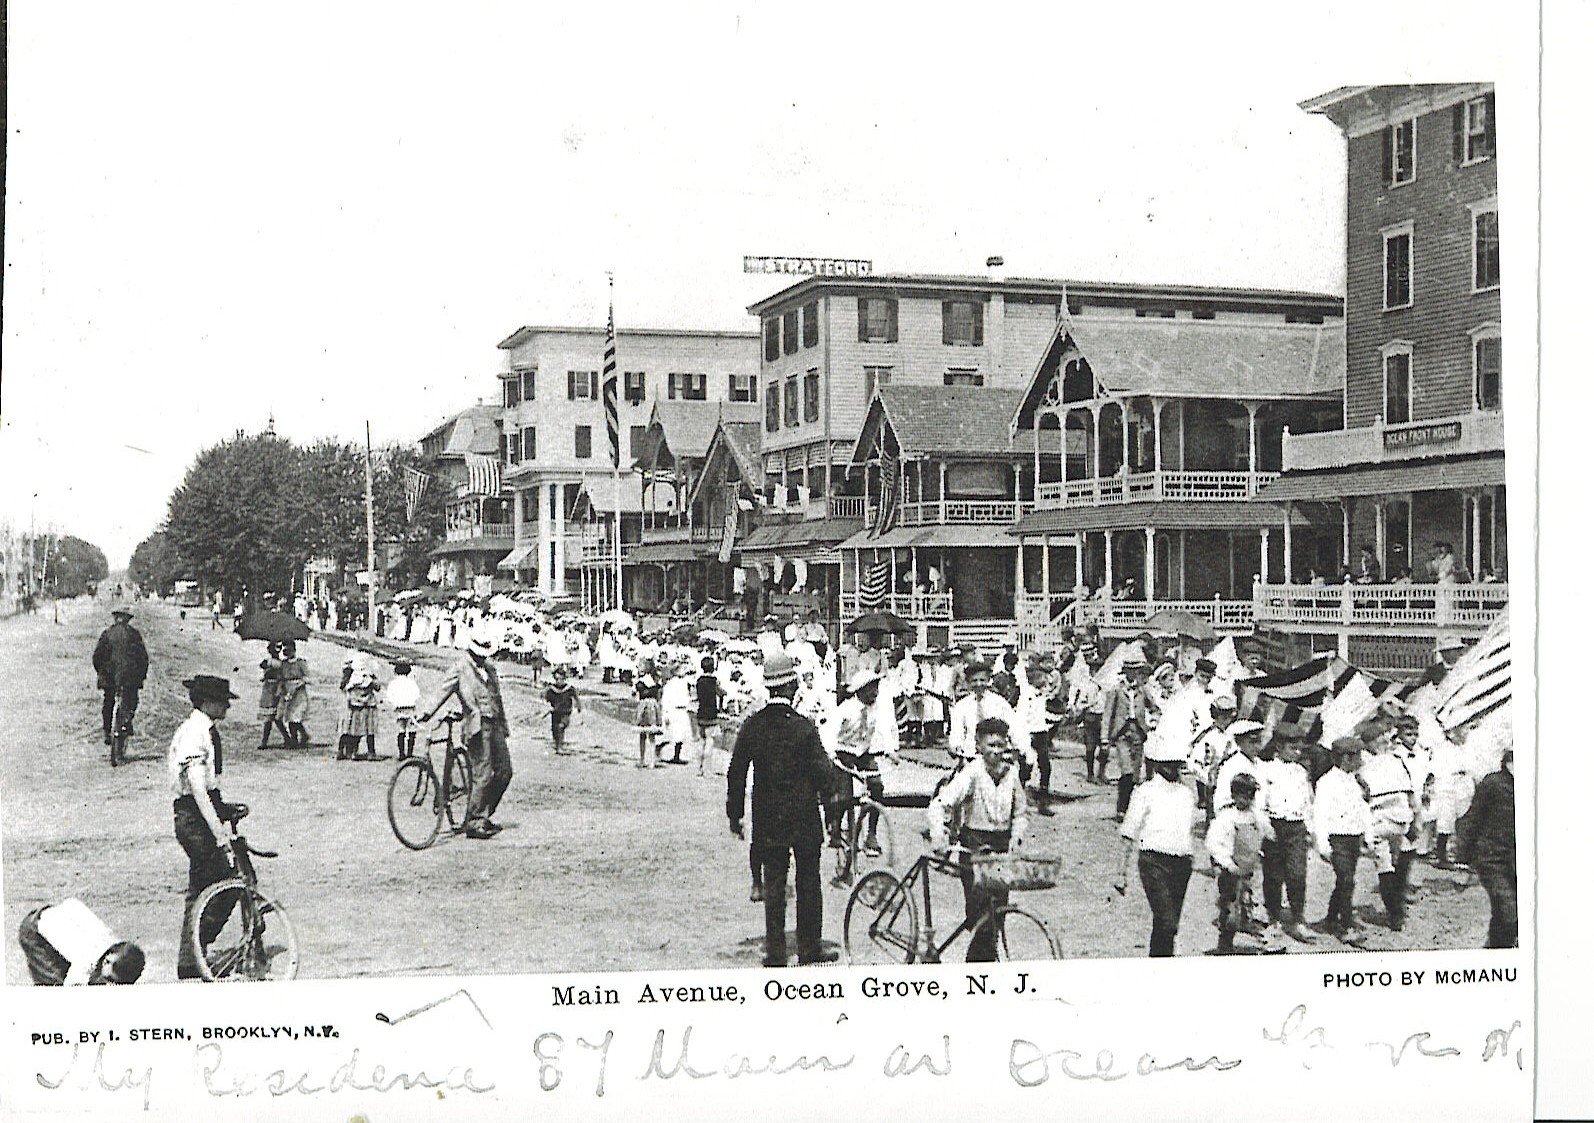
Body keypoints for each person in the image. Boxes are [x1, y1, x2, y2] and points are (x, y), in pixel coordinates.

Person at [726, 652, 839, 967]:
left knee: (774, 883)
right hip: (804, 817)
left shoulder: (753, 725)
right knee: (808, 882)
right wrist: (831, 801)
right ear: (792, 686)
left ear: (768, 688)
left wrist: (735, 814)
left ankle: (776, 953)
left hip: (767, 816)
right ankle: (809, 948)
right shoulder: (804, 727)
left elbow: (736, 771)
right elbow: (823, 774)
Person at [928, 717, 1029, 962]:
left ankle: (983, 960)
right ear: (979, 745)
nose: (996, 751)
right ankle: (977, 965)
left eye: (1000, 745)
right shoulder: (972, 772)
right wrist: (939, 835)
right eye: (990, 745)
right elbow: (941, 803)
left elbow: (1021, 812)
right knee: (980, 913)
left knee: (999, 910)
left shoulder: (1012, 774)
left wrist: (1017, 835)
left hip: (1001, 847)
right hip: (973, 844)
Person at [169, 674, 246, 979]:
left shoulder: (202, 730)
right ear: (208, 702)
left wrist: (225, 809)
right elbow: (197, 790)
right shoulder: (195, 735)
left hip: (200, 814)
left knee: (203, 889)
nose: (226, 706)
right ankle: (194, 954)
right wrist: (220, 834)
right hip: (195, 819)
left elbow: (208, 792)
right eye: (222, 701)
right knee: (224, 887)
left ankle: (191, 958)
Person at [421, 624, 512, 839]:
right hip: (476, 726)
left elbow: (497, 697)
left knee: (505, 771)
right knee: (482, 773)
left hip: (495, 723)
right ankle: (474, 822)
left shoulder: (490, 668)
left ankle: (484, 813)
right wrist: (426, 713)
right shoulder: (460, 667)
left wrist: (504, 724)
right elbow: (442, 690)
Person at [1114, 731, 1199, 957]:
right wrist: (1121, 874)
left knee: (1167, 927)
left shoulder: (1187, 794)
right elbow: (1128, 833)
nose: (1175, 769)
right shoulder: (1145, 792)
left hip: (1181, 864)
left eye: (1178, 764)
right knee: (1167, 920)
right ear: (1158, 764)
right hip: (1154, 863)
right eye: (1170, 764)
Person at [821, 670, 896, 861]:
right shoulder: (845, 709)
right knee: (844, 794)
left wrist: (890, 750)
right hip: (844, 752)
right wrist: (830, 753)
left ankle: (871, 834)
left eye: (876, 688)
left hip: (863, 753)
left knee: (876, 786)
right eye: (871, 689)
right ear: (860, 691)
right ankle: (836, 826)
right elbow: (829, 732)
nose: (875, 693)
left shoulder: (877, 708)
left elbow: (884, 730)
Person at [1360, 722, 1420, 932]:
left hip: (1401, 815)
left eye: (1386, 738)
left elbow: (1410, 791)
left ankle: (1398, 900)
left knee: (1404, 858)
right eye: (1380, 740)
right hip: (1378, 817)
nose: (1385, 742)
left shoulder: (1396, 760)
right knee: (1385, 866)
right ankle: (1394, 912)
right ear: (1369, 743)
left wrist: (1415, 817)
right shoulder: (1362, 764)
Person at [1314, 738, 1375, 944]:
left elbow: (1364, 809)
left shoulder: (1357, 780)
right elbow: (1320, 815)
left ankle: (1331, 918)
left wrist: (1368, 836)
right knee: (1347, 880)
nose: (1360, 760)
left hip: (1354, 837)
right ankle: (1347, 926)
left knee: (1344, 881)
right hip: (1337, 839)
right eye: (1357, 756)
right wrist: (1322, 843)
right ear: (1345, 759)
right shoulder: (1326, 782)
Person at [1259, 735, 1315, 941]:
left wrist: (1310, 828)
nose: (1297, 753)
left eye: (1299, 749)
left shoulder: (1301, 772)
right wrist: (1266, 828)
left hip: (1296, 827)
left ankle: (1298, 920)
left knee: (1297, 874)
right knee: (1273, 876)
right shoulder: (1266, 770)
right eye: (1293, 748)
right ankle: (1273, 919)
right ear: (1279, 747)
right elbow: (1260, 802)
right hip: (1275, 825)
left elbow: (1308, 801)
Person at [1459, 746, 1516, 948]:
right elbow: (1473, 819)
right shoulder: (1493, 783)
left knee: (1508, 917)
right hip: (1494, 860)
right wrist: (1464, 855)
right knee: (1509, 911)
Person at [18, 898, 145, 986]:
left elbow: (72, 903)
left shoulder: (115, 947)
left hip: (57, 914)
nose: (109, 984)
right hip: (34, 932)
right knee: (55, 986)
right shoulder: (86, 959)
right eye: (109, 979)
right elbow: (73, 990)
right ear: (107, 960)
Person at [1208, 774, 1268, 954]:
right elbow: (1213, 843)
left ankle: (1252, 930)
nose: (1246, 800)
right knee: (1229, 907)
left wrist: (1263, 847)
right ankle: (1225, 943)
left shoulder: (1256, 816)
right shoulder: (1226, 817)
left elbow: (1265, 833)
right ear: (1233, 795)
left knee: (1249, 903)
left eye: (1250, 796)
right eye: (1241, 795)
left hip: (1249, 869)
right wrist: (1226, 862)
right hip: (1231, 870)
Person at [1101, 652, 1152, 819]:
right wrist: (1104, 739)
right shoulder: (1116, 689)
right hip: (1122, 734)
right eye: (1132, 670)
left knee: (1136, 776)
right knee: (1127, 772)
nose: (1135, 673)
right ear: (1126, 671)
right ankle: (1121, 808)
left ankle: (1131, 809)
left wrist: (1151, 723)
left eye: (1137, 670)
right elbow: (1107, 715)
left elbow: (1155, 708)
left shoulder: (1143, 690)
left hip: (1138, 733)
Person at [92, 607, 149, 748]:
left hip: (110, 677)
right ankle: (127, 721)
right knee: (132, 700)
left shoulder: (107, 634)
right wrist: (141, 677)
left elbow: (97, 657)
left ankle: (106, 731)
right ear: (127, 619)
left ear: (115, 618)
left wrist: (101, 673)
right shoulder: (134, 635)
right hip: (129, 678)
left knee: (108, 702)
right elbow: (143, 658)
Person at [948, 660, 1022, 766]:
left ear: (988, 680)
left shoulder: (999, 703)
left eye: (982, 680)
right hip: (971, 756)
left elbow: (1014, 728)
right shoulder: (961, 706)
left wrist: (1018, 747)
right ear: (968, 682)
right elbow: (956, 731)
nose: (979, 684)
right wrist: (955, 745)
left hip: (996, 754)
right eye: (974, 681)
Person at [336, 654, 381, 761]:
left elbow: (343, 687)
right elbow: (377, 687)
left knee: (352, 729)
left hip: (353, 705)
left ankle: (349, 751)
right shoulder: (369, 676)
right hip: (367, 705)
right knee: (369, 729)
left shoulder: (351, 676)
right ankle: (370, 752)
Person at [256, 642, 291, 749]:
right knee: (269, 717)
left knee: (274, 717)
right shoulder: (268, 661)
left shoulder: (280, 664)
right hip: (267, 689)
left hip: (275, 689)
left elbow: (282, 676)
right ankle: (282, 739)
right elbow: (262, 666)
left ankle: (284, 738)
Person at [695, 656, 725, 777]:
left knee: (701, 740)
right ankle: (707, 769)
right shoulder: (714, 681)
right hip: (711, 712)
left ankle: (699, 768)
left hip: (701, 712)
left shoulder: (699, 681)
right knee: (710, 740)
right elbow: (721, 693)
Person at [277, 640, 310, 749]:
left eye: (289, 650)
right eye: (285, 650)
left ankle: (302, 735)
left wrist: (299, 684)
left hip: (299, 693)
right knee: (290, 717)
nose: (287, 652)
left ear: (294, 650)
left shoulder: (300, 662)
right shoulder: (284, 664)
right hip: (288, 691)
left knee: (297, 717)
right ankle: (295, 738)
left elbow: (307, 677)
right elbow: (281, 678)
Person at [660, 662, 694, 766]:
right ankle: (660, 751)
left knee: (681, 734)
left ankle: (677, 756)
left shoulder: (684, 683)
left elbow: (687, 696)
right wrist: (665, 713)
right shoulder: (670, 684)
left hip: (682, 710)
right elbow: (665, 699)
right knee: (671, 734)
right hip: (673, 710)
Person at [387, 660, 421, 759]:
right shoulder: (411, 682)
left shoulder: (393, 683)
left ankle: (401, 753)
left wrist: (394, 703)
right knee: (411, 730)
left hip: (399, 709)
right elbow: (416, 695)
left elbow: (390, 695)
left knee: (401, 730)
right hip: (410, 708)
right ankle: (410, 752)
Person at [633, 658, 664, 769]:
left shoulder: (641, 681)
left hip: (644, 706)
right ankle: (651, 761)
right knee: (651, 736)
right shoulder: (655, 681)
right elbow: (659, 694)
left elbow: (635, 693)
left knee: (643, 735)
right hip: (653, 706)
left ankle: (642, 759)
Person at [545, 666, 582, 755]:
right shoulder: (551, 689)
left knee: (561, 726)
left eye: (561, 679)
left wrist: (578, 706)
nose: (559, 681)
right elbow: (547, 699)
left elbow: (576, 697)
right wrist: (548, 706)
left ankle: (560, 746)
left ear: (564, 678)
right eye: (557, 679)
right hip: (555, 712)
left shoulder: (569, 688)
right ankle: (557, 744)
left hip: (566, 711)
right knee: (555, 729)